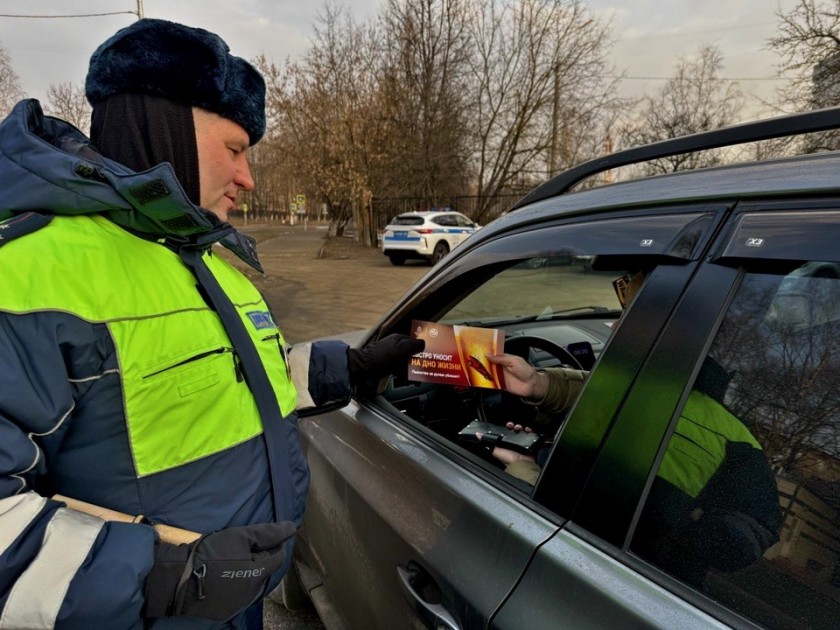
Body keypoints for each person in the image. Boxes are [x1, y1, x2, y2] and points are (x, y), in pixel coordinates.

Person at [0, 18, 421, 629]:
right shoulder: (27, 274)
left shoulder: (205, 263)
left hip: (229, 610)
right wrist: (164, 580)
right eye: (234, 148)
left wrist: (346, 368)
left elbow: (231, 387)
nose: (248, 177)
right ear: (162, 126)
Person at [486, 274, 781, 586]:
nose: (613, 327)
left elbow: (594, 528)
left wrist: (527, 475)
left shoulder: (730, 442)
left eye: (632, 318)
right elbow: (603, 394)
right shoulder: (651, 387)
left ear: (673, 335)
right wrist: (537, 384)